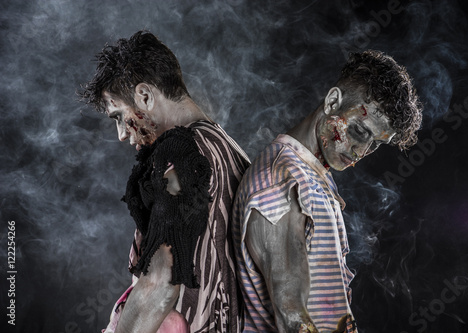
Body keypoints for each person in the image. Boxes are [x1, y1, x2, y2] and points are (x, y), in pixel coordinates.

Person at [232, 50, 422, 332]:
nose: (361, 152)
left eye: (375, 145)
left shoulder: (312, 176)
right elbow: (291, 313)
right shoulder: (284, 179)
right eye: (359, 131)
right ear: (333, 102)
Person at [80, 30, 250, 333]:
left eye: (119, 116)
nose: (121, 133)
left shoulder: (180, 157)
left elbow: (160, 284)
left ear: (145, 96)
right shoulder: (228, 147)